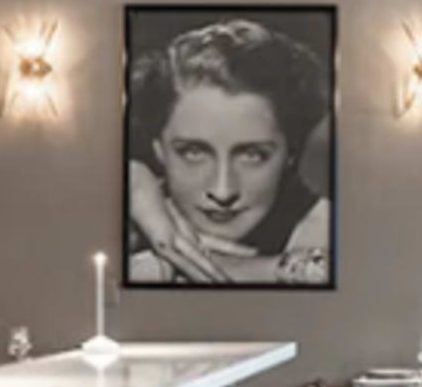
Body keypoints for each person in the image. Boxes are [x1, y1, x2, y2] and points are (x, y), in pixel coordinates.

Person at [125, 17, 333, 285]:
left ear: (290, 154)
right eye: (193, 152)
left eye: (253, 155)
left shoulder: (328, 226)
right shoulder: (125, 216)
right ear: (158, 149)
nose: (223, 191)